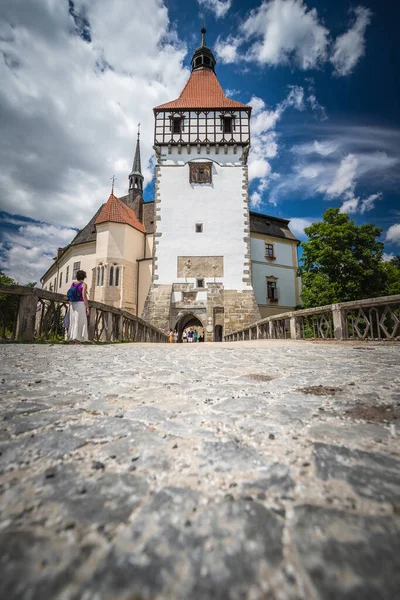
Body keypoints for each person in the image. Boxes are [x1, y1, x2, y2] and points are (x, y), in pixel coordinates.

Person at [68, 270, 89, 342]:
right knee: (80, 320)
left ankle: (72, 336)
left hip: (73, 304)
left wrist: (69, 305)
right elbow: (84, 296)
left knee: (73, 320)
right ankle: (78, 338)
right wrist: (87, 307)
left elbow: (70, 295)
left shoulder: (73, 284)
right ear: (84, 277)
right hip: (80, 304)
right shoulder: (84, 284)